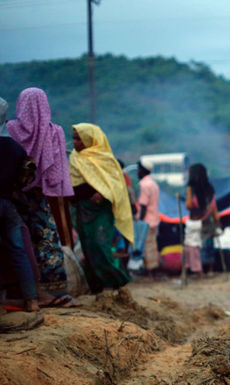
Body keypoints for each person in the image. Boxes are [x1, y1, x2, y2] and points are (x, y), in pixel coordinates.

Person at [6, 88, 81, 307]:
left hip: (12, 195)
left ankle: (23, 292)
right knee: (47, 242)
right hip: (39, 196)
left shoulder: (10, 128)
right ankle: (57, 293)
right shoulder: (54, 132)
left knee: (18, 243)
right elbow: (56, 171)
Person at [69, 123, 133, 293]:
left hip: (100, 211)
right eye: (74, 138)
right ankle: (96, 287)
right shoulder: (74, 158)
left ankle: (116, 282)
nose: (75, 142)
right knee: (87, 247)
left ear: (90, 139)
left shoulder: (105, 158)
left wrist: (102, 193)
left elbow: (115, 184)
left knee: (100, 245)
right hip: (81, 208)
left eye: (79, 139)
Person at [0, 97, 39, 313]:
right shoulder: (16, 149)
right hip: (10, 205)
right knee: (19, 251)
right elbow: (24, 178)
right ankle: (31, 301)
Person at [185, 163, 220, 277]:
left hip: (195, 222)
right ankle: (209, 269)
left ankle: (197, 269)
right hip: (207, 222)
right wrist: (218, 222)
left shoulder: (191, 188)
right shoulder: (210, 189)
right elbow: (215, 210)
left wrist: (186, 201)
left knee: (194, 246)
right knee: (207, 245)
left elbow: (189, 205)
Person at [137, 160, 161, 276]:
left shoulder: (144, 184)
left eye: (138, 169)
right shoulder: (154, 184)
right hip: (154, 219)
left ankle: (149, 272)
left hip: (147, 221)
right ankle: (153, 270)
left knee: (146, 246)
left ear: (142, 170)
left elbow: (143, 205)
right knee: (152, 246)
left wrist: (140, 221)